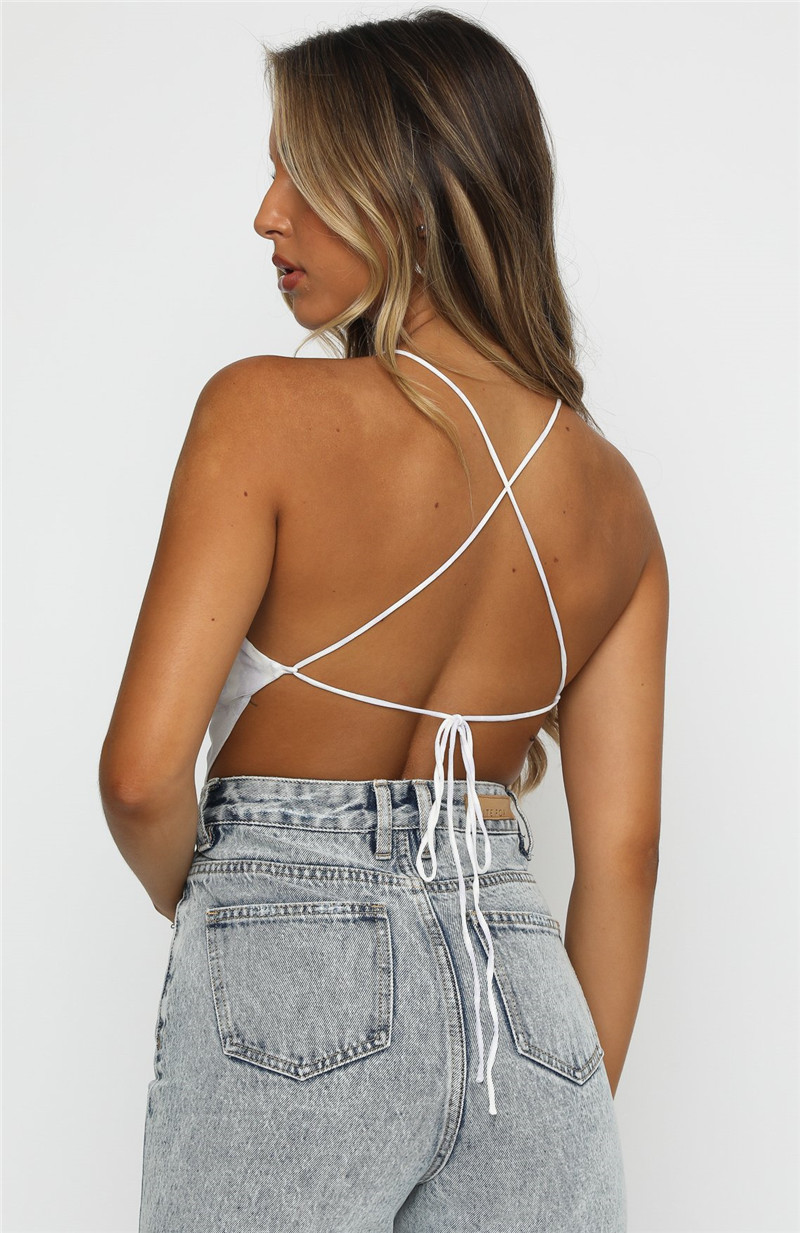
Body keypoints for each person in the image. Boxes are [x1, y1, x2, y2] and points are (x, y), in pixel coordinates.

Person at [99, 9, 668, 1231]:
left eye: (301, 174)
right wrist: (561, 1105)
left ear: (407, 196)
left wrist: (249, 908)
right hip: (532, 1013)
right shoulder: (614, 500)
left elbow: (142, 778)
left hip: (289, 968)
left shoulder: (261, 412)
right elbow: (622, 856)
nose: (267, 215)